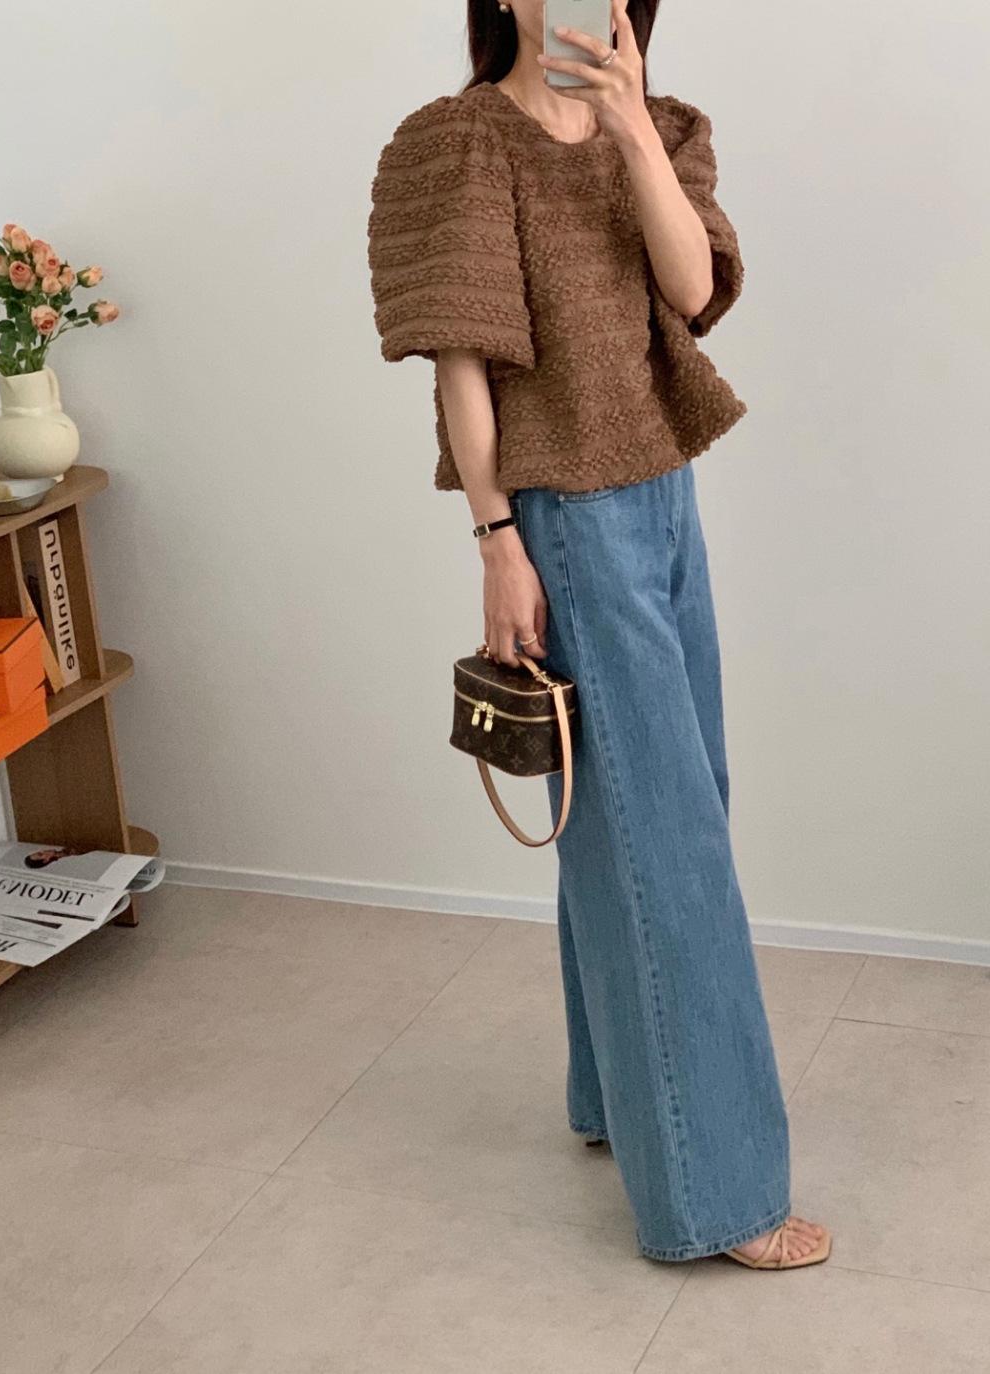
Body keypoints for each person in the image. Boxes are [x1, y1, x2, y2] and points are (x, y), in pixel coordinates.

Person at [367, 0, 831, 1271]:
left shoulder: (665, 129)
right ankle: (718, 1195)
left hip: (665, 495)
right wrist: (494, 539)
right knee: (663, 839)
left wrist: (625, 125)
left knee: (656, 812)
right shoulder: (454, 142)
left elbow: (693, 291)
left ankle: (618, 1100)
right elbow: (459, 364)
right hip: (564, 517)